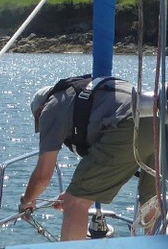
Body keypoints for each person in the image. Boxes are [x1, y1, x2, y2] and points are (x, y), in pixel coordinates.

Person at [19, 76, 155, 241]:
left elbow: (42, 176)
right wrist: (73, 192)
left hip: (127, 123)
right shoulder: (84, 93)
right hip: (160, 119)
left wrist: (27, 201)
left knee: (75, 203)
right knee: (153, 202)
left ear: (41, 108)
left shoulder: (51, 108)